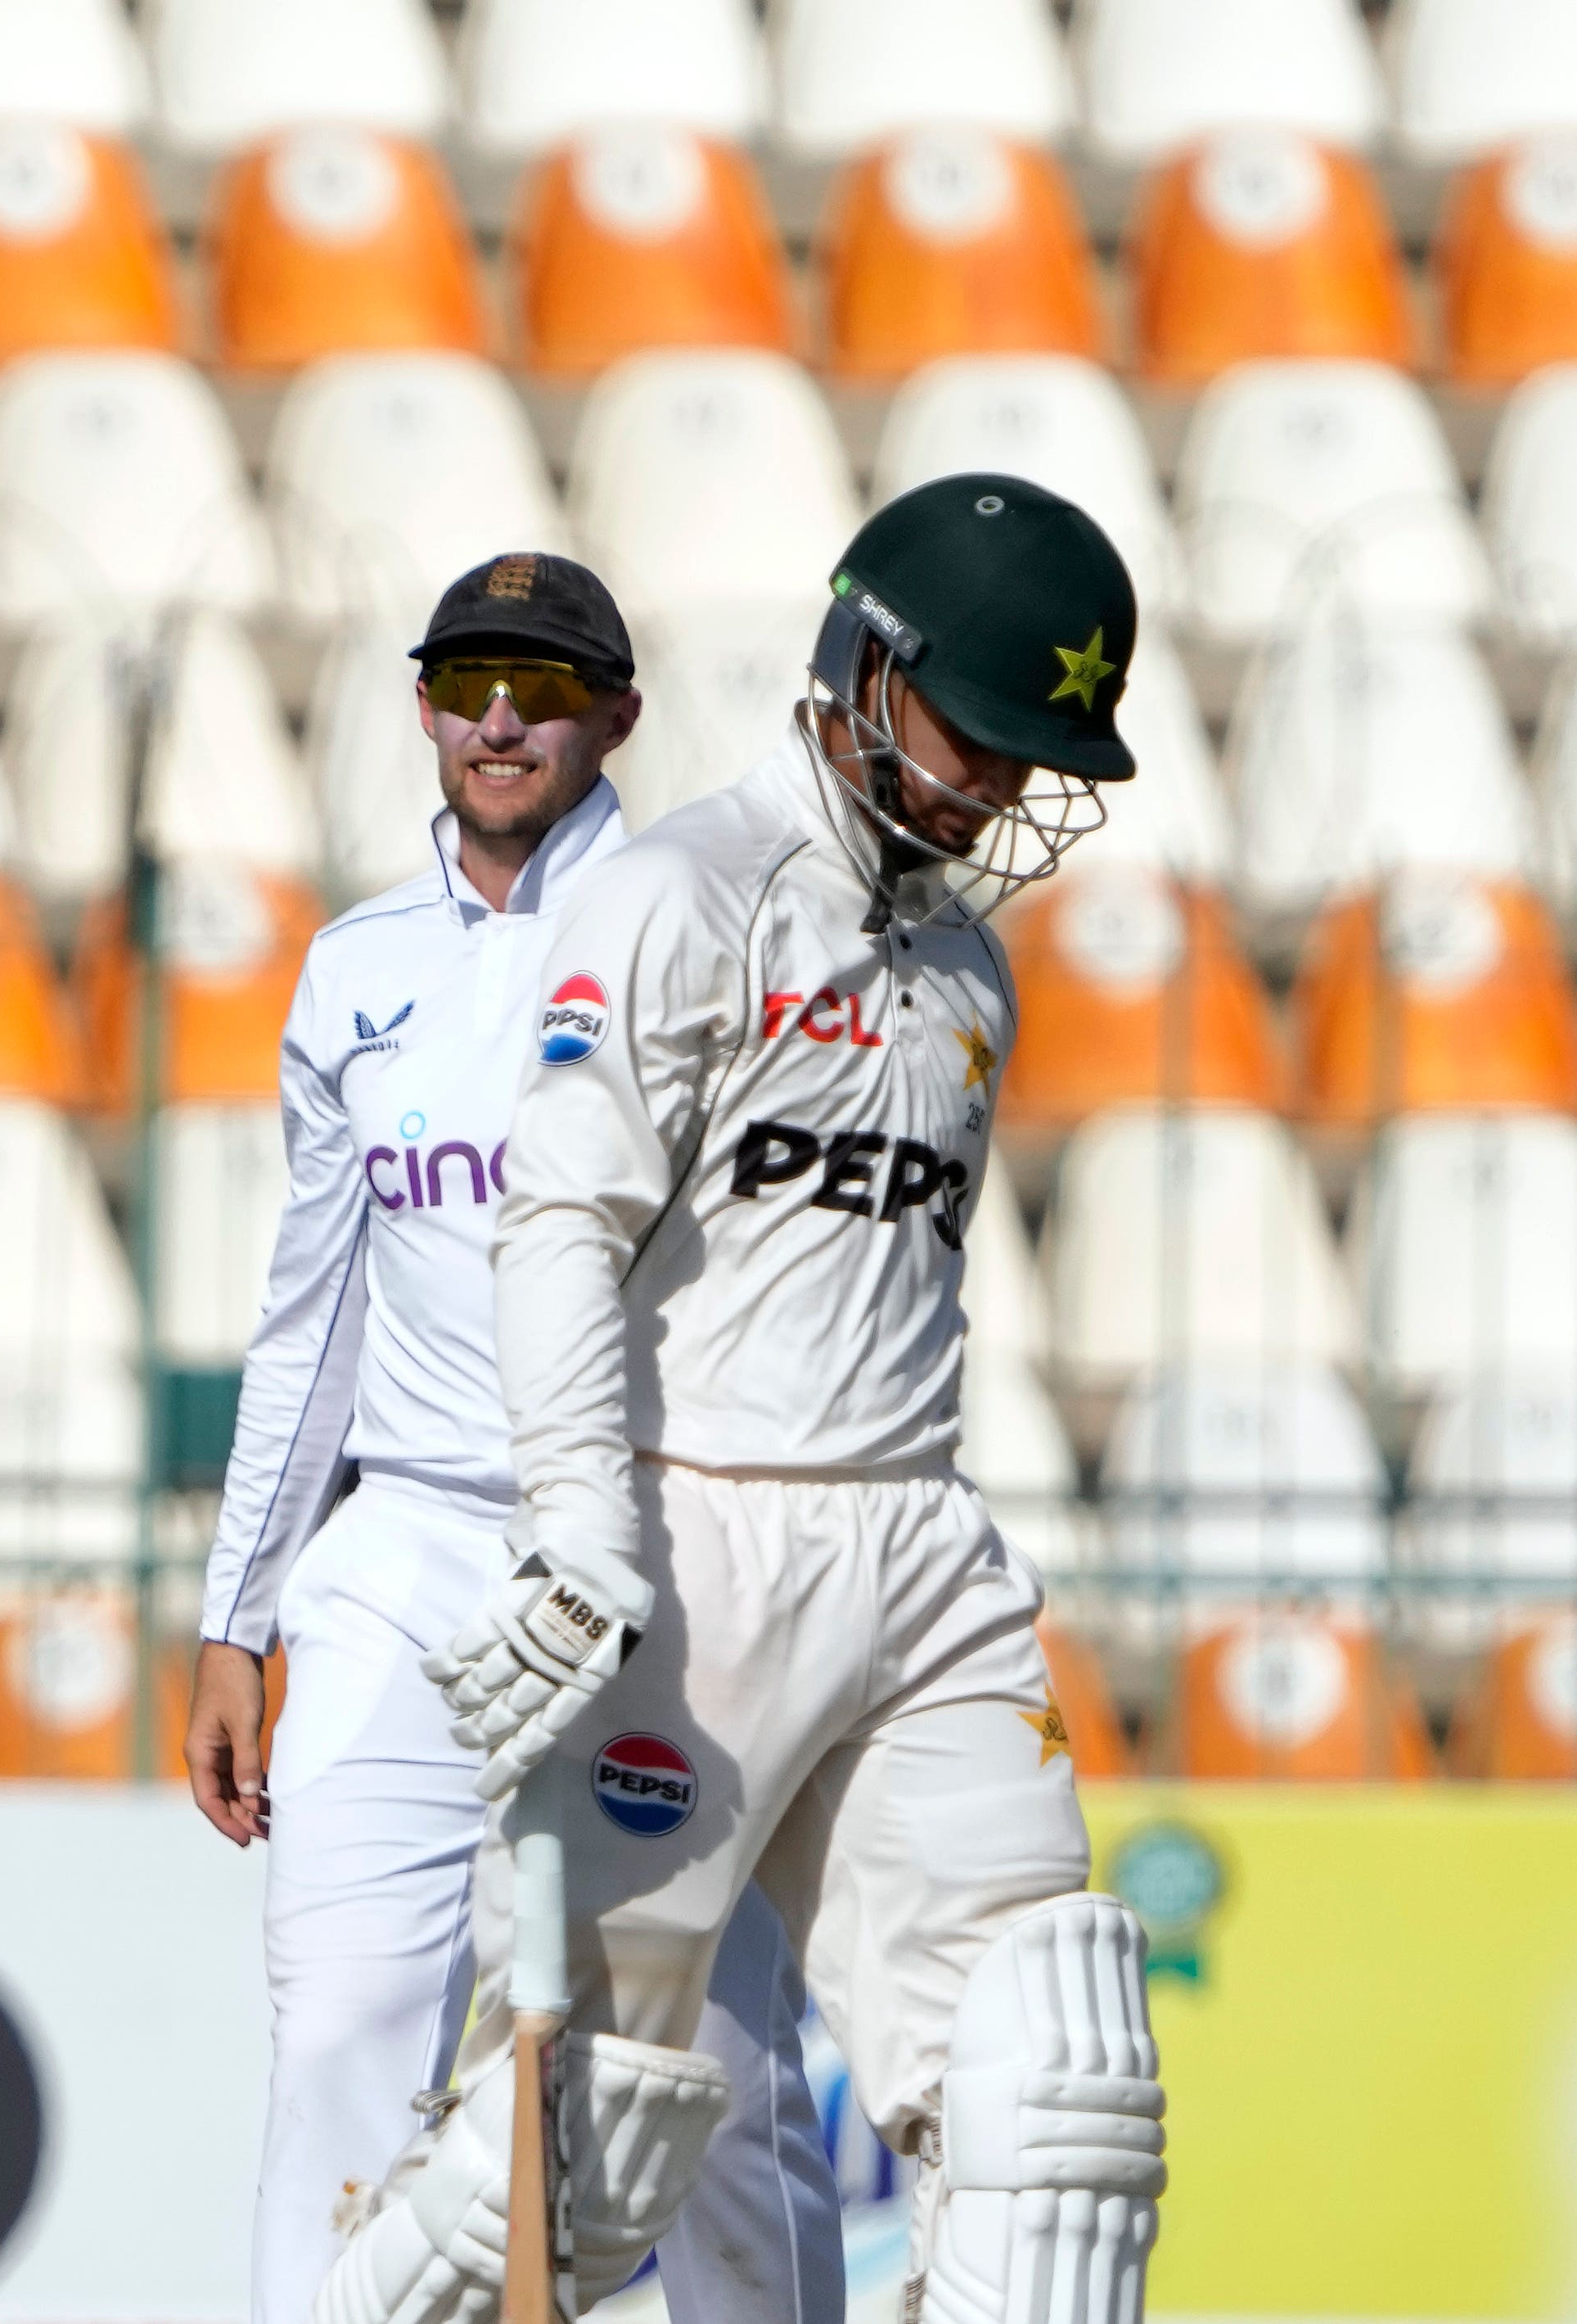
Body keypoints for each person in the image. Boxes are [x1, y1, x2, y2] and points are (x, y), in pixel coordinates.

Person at [318, 479, 1168, 2322]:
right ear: (865, 666)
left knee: (1058, 2095)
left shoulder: (963, 961)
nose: (994, 795)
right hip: (688, 1555)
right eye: (975, 740)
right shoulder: (680, 894)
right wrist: (579, 1537)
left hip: (920, 1551)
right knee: (573, 2155)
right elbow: (557, 1221)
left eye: (1033, 763)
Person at [189, 554, 839, 2324]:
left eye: (544, 686)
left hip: (650, 1563)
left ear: (613, 717)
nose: (499, 715)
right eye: (469, 678)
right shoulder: (354, 969)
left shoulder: (712, 924)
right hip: (398, 1554)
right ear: (420, 704)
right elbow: (309, 1304)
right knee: (336, 2038)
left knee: (699, 2070)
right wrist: (238, 1613)